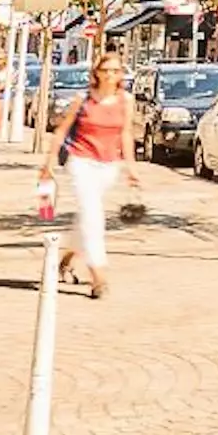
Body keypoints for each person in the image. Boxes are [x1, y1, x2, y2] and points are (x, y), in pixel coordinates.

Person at [44, 54, 140, 300]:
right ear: (96, 72)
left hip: (109, 166)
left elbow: (126, 133)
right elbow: (62, 131)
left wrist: (131, 168)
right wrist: (48, 163)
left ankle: (66, 260)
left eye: (115, 70)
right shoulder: (83, 99)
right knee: (93, 216)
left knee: (87, 216)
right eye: (106, 70)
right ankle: (98, 277)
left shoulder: (126, 100)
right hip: (81, 161)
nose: (110, 75)